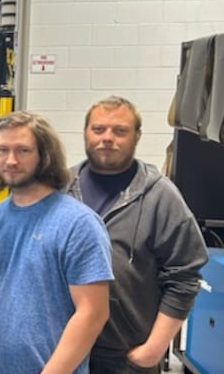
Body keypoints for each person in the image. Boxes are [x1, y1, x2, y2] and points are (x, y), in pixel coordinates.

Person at [67, 96, 208, 373]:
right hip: (63, 350)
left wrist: (154, 349)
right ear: (85, 133)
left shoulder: (160, 196)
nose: (107, 138)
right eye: (98, 129)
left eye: (120, 131)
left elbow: (185, 278)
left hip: (125, 358)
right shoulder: (61, 189)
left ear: (137, 136)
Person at [0, 110, 113, 374]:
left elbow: (93, 313)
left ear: (44, 156)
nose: (11, 160)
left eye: (23, 150)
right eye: (2, 150)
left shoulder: (78, 223)